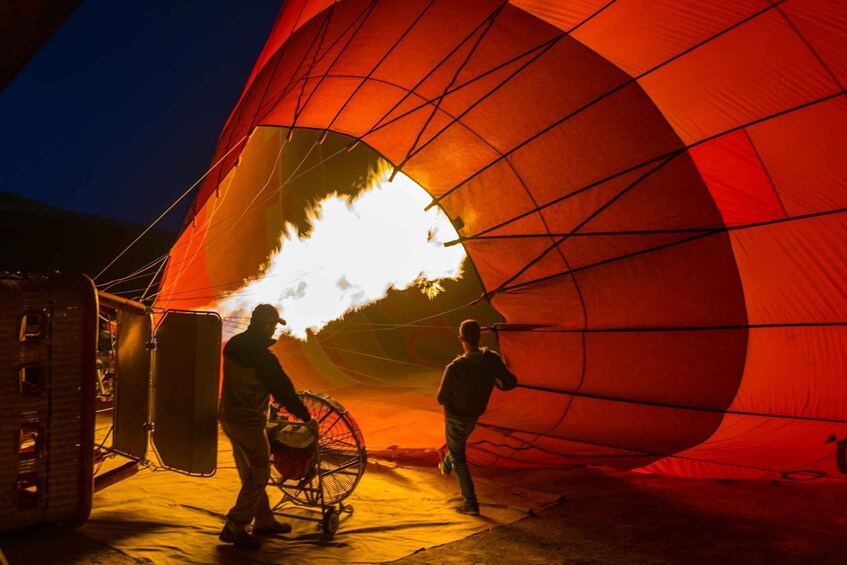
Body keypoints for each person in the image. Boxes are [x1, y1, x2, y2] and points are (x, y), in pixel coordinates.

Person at [218, 304, 318, 551]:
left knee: (251, 474)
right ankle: (235, 526)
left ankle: (263, 520)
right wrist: (306, 418)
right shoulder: (264, 360)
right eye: (273, 324)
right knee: (260, 474)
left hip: (228, 415)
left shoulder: (233, 345)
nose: (274, 328)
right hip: (249, 422)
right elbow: (284, 392)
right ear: (264, 325)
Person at [436, 319, 518, 516]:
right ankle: (446, 465)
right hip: (475, 414)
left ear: (461, 339)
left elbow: (440, 398)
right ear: (480, 336)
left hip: (456, 415)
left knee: (459, 456)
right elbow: (510, 382)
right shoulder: (492, 359)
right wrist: (494, 383)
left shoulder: (454, 368)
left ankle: (470, 502)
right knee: (458, 443)